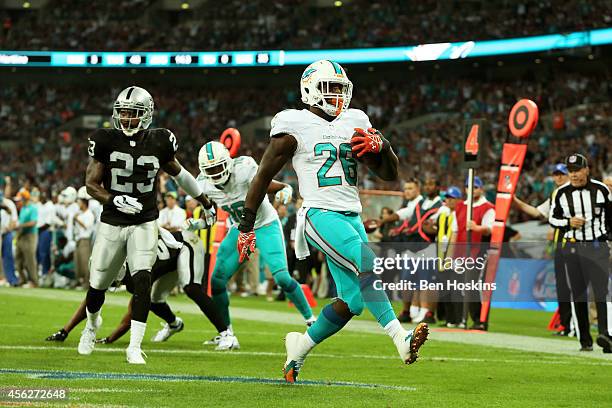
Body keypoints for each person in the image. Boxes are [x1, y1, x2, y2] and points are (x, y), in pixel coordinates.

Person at [237, 60, 428, 383]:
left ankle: (298, 350)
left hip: (351, 215)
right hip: (318, 213)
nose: (337, 95)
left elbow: (390, 174)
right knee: (366, 260)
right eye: (330, 88)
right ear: (309, 89)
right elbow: (262, 176)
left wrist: (385, 147)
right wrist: (246, 225)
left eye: (341, 88)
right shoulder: (292, 124)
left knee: (351, 302)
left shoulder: (355, 120)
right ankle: (400, 338)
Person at [79, 86, 216, 364]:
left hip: (145, 220)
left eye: (134, 113)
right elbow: (91, 185)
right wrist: (114, 200)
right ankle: (92, 325)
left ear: (147, 115)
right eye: (123, 113)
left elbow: (181, 174)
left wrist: (203, 198)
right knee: (98, 285)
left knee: (143, 279)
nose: (127, 119)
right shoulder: (104, 139)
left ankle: (134, 346)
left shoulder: (161, 141)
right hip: (113, 221)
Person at [193, 141, 315, 349]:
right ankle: (226, 333)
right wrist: (201, 221)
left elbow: (270, 183)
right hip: (239, 229)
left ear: (228, 163)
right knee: (218, 281)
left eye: (217, 167)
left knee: (283, 278)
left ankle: (311, 320)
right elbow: (210, 213)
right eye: (209, 169)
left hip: (266, 224)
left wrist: (284, 189)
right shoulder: (203, 185)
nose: (214, 173)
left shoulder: (244, 168)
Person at [47, 229, 236, 350]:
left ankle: (227, 334)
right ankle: (173, 324)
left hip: (186, 244)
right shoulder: (119, 262)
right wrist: (65, 331)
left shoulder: (134, 272)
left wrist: (110, 339)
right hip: (166, 260)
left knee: (192, 288)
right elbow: (91, 301)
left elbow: (132, 314)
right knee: (154, 301)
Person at [549, 153, 611, 353]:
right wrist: (569, 223)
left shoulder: (601, 190)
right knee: (578, 293)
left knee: (601, 291)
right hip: (573, 248)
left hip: (597, 246)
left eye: (577, 170)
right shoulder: (561, 193)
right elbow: (553, 219)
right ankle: (585, 339)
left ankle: (605, 334)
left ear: (587, 169)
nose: (574, 175)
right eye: (571, 171)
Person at [513, 163, 572, 335]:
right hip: (559, 246)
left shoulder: (574, 193)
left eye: (562, 174)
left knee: (574, 286)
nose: (559, 177)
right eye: (556, 174)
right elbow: (537, 212)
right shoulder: (555, 195)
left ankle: (575, 326)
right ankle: (566, 325)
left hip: (576, 244)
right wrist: (515, 201)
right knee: (563, 287)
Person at [449, 176, 495, 330]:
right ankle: (460, 318)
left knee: (474, 284)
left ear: (481, 189)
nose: (472, 190)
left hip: (478, 251)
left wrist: (476, 227)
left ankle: (479, 320)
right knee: (460, 285)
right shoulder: (461, 207)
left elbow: (489, 229)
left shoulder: (488, 207)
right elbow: (455, 231)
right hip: (461, 252)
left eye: (475, 187)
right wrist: (451, 255)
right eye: (469, 187)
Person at [14, 189, 39, 287]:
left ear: (25, 198)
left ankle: (34, 281)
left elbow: (34, 222)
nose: (18, 201)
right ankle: (22, 279)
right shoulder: (23, 208)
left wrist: (21, 226)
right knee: (18, 258)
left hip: (30, 236)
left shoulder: (32, 208)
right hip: (21, 235)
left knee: (30, 260)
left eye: (20, 199)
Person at [73, 189, 95, 288]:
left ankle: (87, 283)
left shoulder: (89, 214)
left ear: (84, 203)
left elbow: (87, 226)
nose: (79, 204)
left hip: (85, 240)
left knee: (85, 262)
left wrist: (77, 219)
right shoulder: (80, 213)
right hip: (78, 239)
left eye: (80, 202)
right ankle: (80, 281)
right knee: (78, 262)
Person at [0, 189, 18, 286]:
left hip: (7, 232)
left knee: (8, 255)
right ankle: (2, 278)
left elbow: (14, 220)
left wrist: (9, 228)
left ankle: (11, 279)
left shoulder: (9, 204)